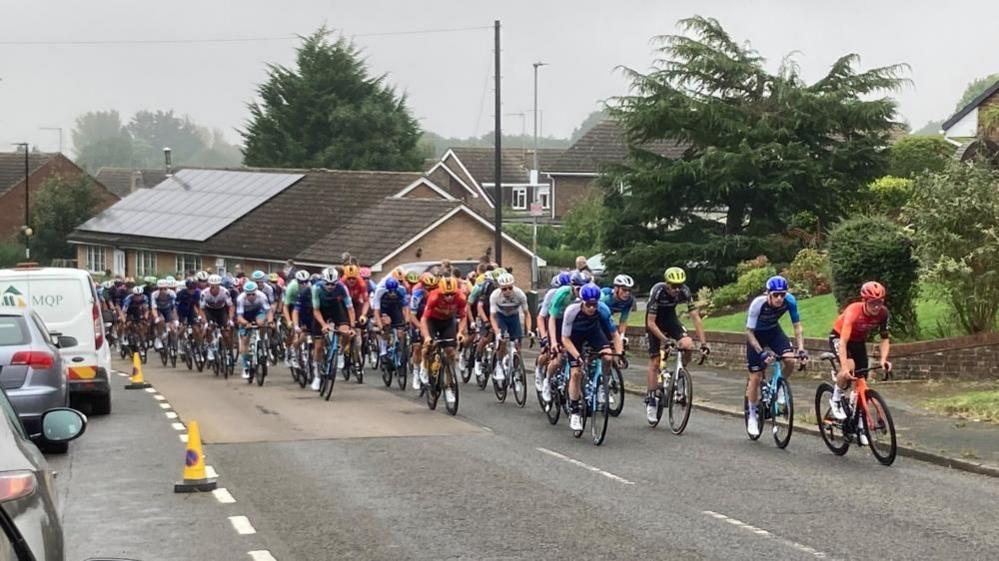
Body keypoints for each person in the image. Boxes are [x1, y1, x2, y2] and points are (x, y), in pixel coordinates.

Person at [744, 275, 806, 437]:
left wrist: (801, 349)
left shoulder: (790, 301)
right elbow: (749, 332)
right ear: (768, 294)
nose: (780, 298)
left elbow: (797, 327)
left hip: (773, 332)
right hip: (756, 335)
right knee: (756, 376)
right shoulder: (758, 304)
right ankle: (752, 415)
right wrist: (761, 352)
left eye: (782, 294)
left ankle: (778, 388)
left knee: (790, 360)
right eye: (776, 295)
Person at [645, 267, 708, 424]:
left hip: (670, 319)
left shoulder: (684, 291)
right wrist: (665, 340)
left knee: (688, 345)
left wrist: (704, 343)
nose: (677, 289)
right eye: (673, 286)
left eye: (679, 285)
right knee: (655, 361)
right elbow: (651, 323)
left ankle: (680, 375)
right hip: (654, 322)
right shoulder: (658, 292)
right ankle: (652, 400)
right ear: (667, 284)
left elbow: (696, 318)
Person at [561, 283, 624, 432]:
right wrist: (577, 356)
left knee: (608, 357)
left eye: (594, 305)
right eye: (588, 305)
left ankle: (603, 383)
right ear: (582, 301)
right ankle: (575, 410)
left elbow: (615, 335)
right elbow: (565, 339)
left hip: (593, 332)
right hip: (574, 337)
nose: (591, 308)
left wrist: (619, 354)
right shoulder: (571, 311)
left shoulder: (602, 309)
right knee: (575, 372)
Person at [828, 281, 892, 426]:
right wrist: (844, 368)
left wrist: (883, 360)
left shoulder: (883, 313)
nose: (876, 306)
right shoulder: (853, 311)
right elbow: (843, 343)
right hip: (840, 338)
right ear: (864, 301)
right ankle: (836, 397)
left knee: (861, 379)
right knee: (850, 367)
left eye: (880, 302)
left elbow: (885, 339)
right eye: (872, 303)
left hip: (858, 342)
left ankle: (857, 418)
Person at [419, 277, 468, 406]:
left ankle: (448, 385)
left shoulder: (461, 297)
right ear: (441, 292)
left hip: (448, 322)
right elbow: (424, 319)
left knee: (450, 352)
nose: (450, 297)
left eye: (452, 294)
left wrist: (460, 333)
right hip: (432, 321)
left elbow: (463, 317)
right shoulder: (433, 297)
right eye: (446, 295)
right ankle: (424, 366)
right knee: (430, 345)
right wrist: (427, 337)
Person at [311, 267, 355, 384]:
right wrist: (324, 324)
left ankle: (339, 352)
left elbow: (350, 308)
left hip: (336, 308)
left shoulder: (342, 288)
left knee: (346, 332)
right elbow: (315, 310)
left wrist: (352, 327)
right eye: (328, 284)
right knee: (319, 346)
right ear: (323, 281)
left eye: (333, 284)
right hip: (321, 310)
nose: (330, 286)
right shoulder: (316, 288)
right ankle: (317, 376)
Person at [489, 273, 531, 381]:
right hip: (500, 317)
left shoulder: (520, 294)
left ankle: (516, 369)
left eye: (510, 288)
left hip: (514, 317)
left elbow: (527, 314)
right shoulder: (495, 295)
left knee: (517, 345)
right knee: (502, 340)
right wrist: (497, 332)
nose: (507, 290)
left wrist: (529, 330)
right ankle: (498, 365)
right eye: (504, 289)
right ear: (500, 288)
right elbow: (492, 317)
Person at [235, 281, 272, 379]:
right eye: (248, 294)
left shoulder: (262, 296)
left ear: (256, 292)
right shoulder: (240, 299)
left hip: (257, 312)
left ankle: (261, 341)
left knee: (261, 323)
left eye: (253, 294)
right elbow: (239, 317)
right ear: (245, 293)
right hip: (245, 315)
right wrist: (246, 324)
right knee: (244, 340)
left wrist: (271, 322)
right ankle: (246, 366)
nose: (251, 296)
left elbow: (268, 312)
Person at [199, 274, 234, 362]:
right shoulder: (204, 293)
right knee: (209, 328)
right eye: (212, 286)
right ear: (209, 285)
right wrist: (205, 321)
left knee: (226, 333)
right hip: (209, 311)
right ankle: (211, 348)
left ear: (219, 285)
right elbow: (201, 309)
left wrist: (230, 319)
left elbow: (231, 306)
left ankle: (229, 352)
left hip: (221, 310)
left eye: (217, 286)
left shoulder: (225, 292)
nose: (214, 288)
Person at [601, 274, 635, 339]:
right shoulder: (605, 297)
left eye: (629, 290)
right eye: (624, 290)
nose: (627, 293)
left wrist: (622, 336)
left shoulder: (629, 301)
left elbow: (623, 320)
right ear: (616, 289)